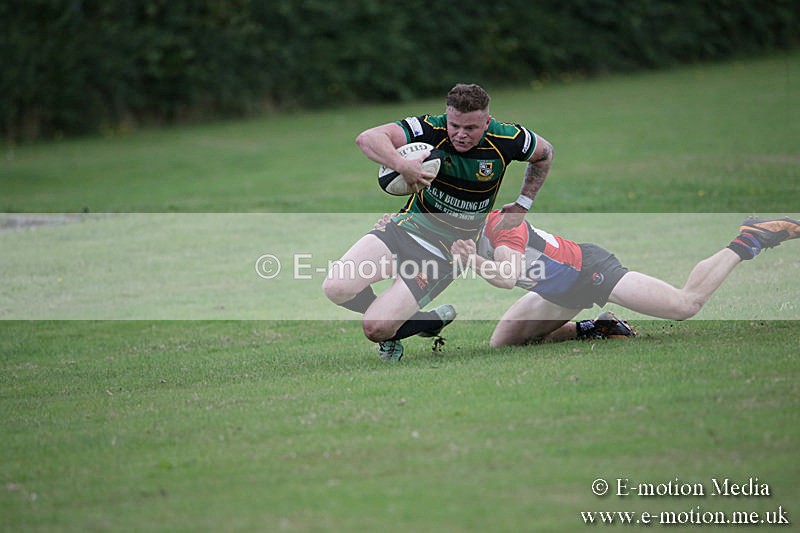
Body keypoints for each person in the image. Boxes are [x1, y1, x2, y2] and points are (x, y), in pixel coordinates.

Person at [323, 83, 554, 361]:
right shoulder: (430, 128)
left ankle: (399, 324)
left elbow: (545, 153)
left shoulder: (507, 138)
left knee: (376, 328)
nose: (460, 134)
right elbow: (368, 138)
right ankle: (422, 320)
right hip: (405, 227)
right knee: (336, 287)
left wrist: (523, 204)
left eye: (470, 128)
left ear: (487, 122)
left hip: (444, 251)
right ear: (447, 117)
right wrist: (402, 164)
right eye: (455, 125)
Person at [450, 212, 800, 347]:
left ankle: (749, 239)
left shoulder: (500, 224)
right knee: (503, 344)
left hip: (589, 271)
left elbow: (508, 278)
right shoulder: (454, 227)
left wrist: (475, 261)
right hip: (556, 290)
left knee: (685, 304)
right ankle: (597, 328)